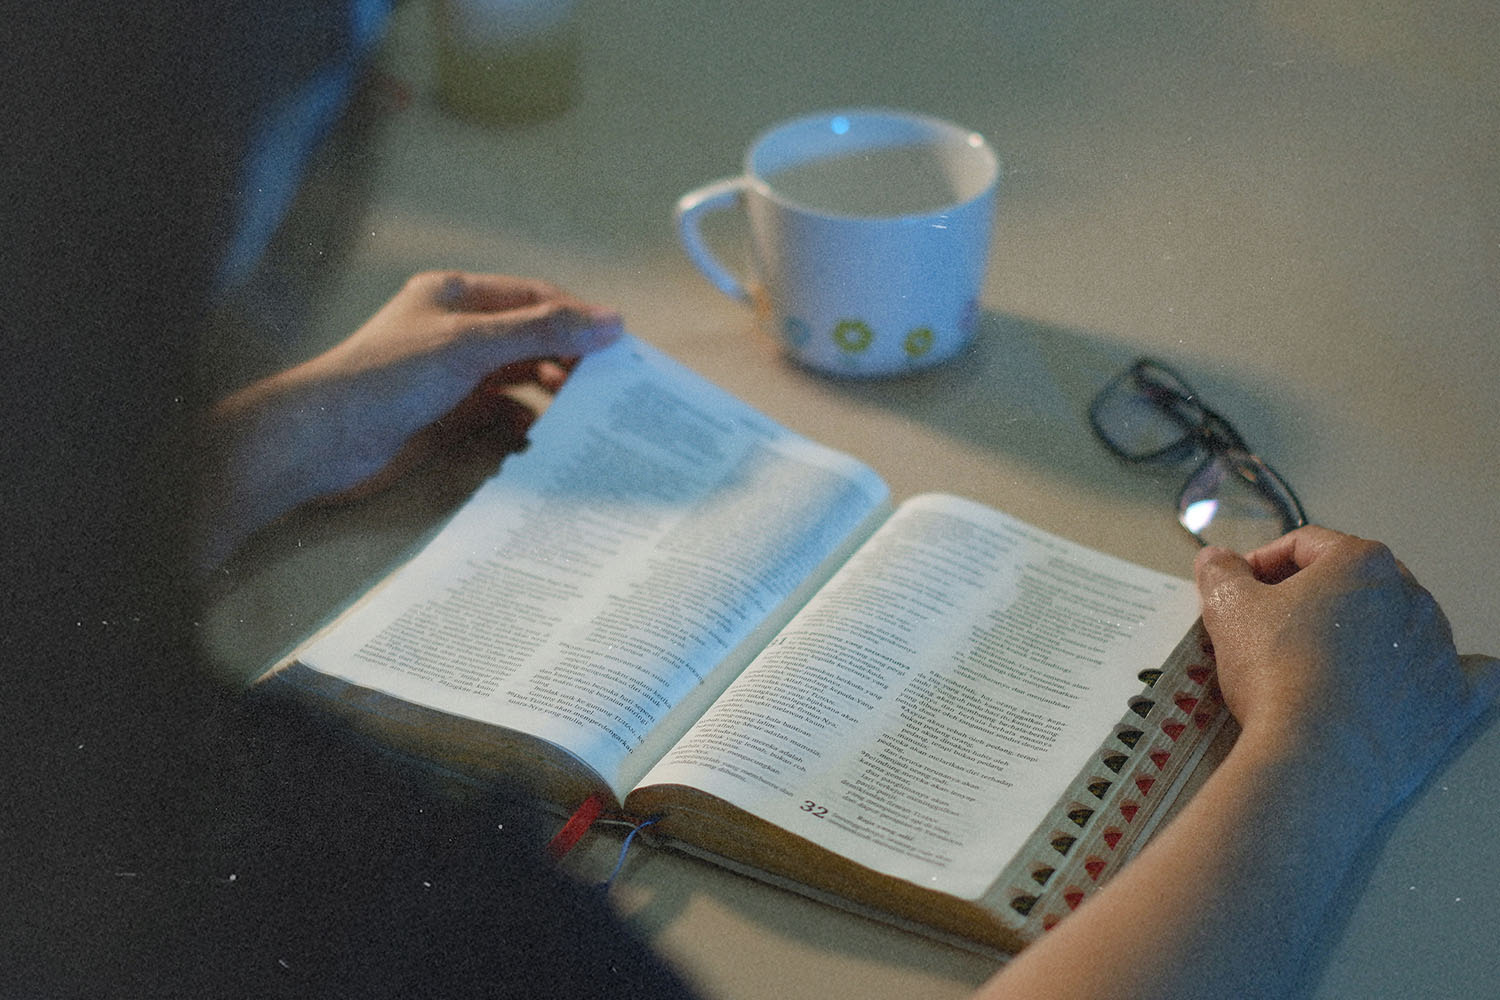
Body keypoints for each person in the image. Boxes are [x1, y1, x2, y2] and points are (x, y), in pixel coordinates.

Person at [6, 4, 1495, 1000]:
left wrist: (262, 442)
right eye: (349, 70)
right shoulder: (312, 884)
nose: (391, 91)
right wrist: (1324, 749)